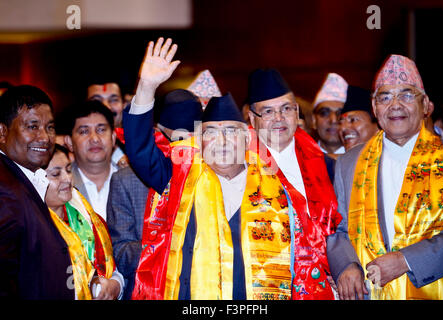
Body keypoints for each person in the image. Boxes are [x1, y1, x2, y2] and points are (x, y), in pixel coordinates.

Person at [123, 37, 298, 300]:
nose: (223, 141)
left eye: (231, 131)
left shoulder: (276, 183)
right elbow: (139, 151)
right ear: (199, 141)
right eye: (211, 133)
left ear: (246, 138)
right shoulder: (180, 177)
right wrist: (147, 87)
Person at [327, 54, 443, 300]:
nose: (395, 105)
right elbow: (336, 229)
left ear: (426, 105)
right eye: (384, 97)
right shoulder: (349, 163)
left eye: (406, 95)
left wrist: (406, 260)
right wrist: (346, 265)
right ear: (374, 108)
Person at [246, 68, 342, 299]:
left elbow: (342, 228)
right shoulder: (237, 164)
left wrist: (339, 268)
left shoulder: (326, 165)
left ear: (297, 112)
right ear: (251, 119)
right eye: (268, 111)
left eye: (286, 109)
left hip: (323, 284)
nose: (279, 118)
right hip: (258, 285)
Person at [107, 88, 203, 300]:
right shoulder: (127, 180)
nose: (187, 147)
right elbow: (120, 251)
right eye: (180, 138)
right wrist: (168, 246)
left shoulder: (212, 173)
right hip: (149, 287)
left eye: (195, 137)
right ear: (159, 132)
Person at [0, 85, 73, 299]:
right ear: (2, 132)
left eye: (50, 127)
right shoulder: (5, 190)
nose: (45, 137)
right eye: (32, 126)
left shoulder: (25, 179)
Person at [44, 144, 124, 299]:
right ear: (36, 179)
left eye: (68, 170)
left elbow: (112, 270)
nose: (67, 179)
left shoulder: (90, 219)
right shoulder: (32, 227)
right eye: (55, 174)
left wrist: (115, 285)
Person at [64, 100, 118, 221]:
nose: (94, 139)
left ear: (113, 138)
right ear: (69, 142)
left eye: (101, 130)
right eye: (84, 131)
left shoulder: (134, 181)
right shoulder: (60, 185)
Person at [87, 81, 128, 168]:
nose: (106, 106)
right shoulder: (72, 149)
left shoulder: (144, 142)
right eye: (96, 101)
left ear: (124, 105)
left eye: (113, 100)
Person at [311, 73, 348, 158]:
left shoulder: (362, 160)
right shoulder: (301, 159)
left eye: (340, 114)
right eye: (324, 113)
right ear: (314, 120)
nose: (333, 120)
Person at [338, 85, 379, 151]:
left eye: (353, 120)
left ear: (378, 126)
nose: (343, 128)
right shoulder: (335, 161)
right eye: (340, 123)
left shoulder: (392, 159)